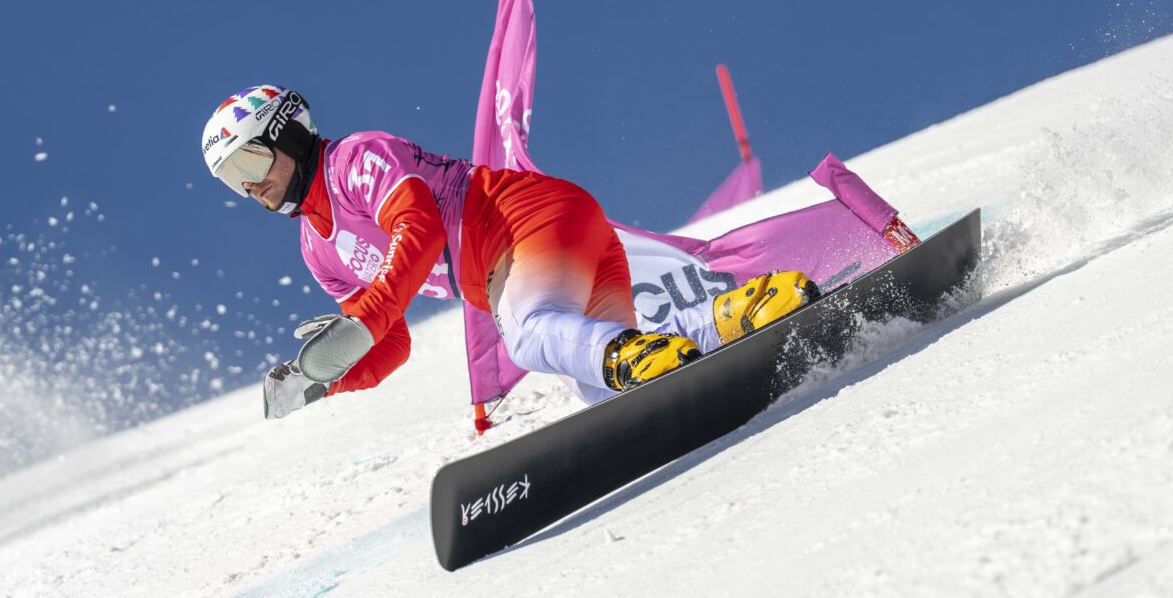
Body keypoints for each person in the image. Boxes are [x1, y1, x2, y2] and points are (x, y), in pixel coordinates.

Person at [200, 86, 818, 419]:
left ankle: (662, 342)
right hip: (542, 254)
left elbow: (420, 229)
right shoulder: (317, 249)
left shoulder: (354, 159)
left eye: (250, 162)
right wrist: (323, 378)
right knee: (605, 387)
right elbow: (392, 342)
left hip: (526, 223)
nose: (249, 186)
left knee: (531, 334)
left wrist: (363, 319)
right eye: (231, 180)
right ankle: (745, 311)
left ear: (288, 135)